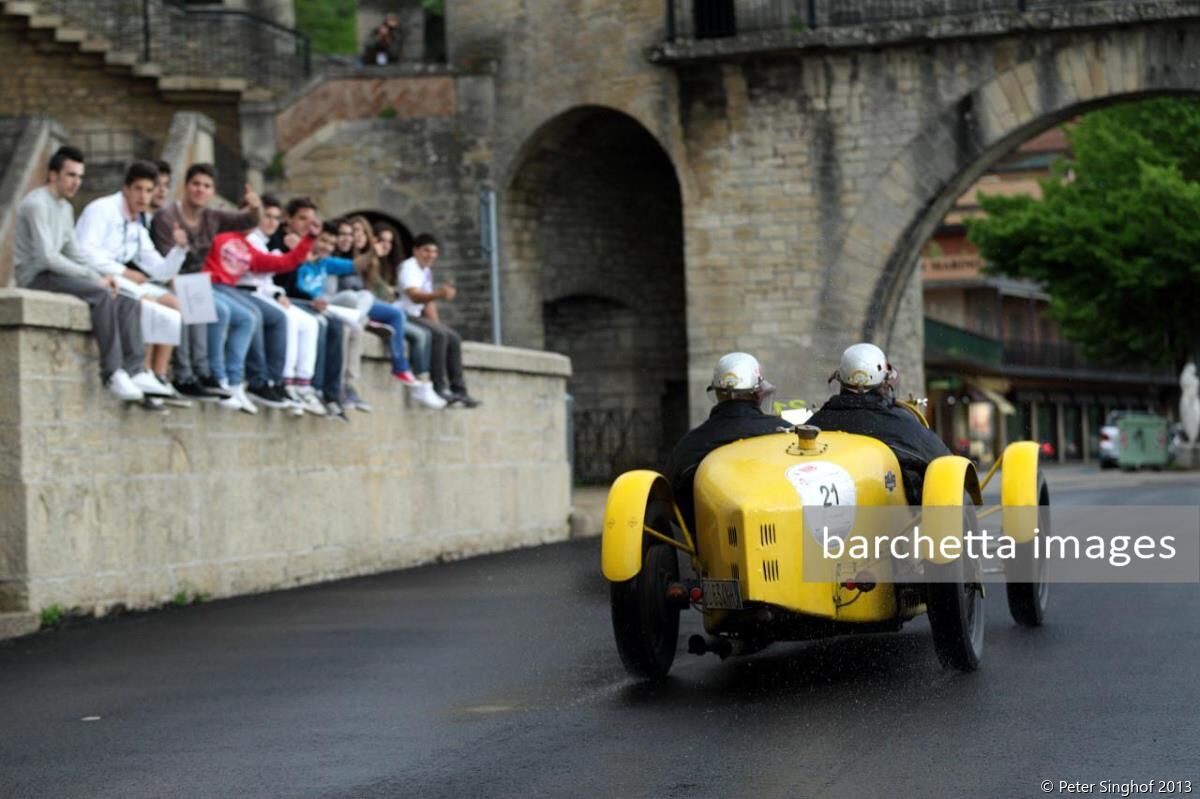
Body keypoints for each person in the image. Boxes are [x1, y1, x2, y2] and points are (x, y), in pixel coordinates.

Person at [12, 146, 158, 402]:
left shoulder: (65, 208)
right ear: (53, 175)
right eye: (70, 175)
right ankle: (113, 372)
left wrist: (102, 275)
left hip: (56, 272)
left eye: (79, 176)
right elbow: (47, 257)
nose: (76, 182)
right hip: (36, 276)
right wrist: (94, 279)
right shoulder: (37, 204)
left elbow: (74, 253)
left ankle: (134, 370)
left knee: (125, 295)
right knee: (101, 295)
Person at [75, 160, 190, 398]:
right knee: (146, 301)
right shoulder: (102, 210)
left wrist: (180, 249)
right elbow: (83, 253)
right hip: (93, 277)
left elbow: (160, 270)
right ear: (126, 188)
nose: (143, 196)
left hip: (118, 278)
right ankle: (136, 369)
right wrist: (124, 272)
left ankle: (153, 376)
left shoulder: (137, 224)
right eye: (138, 189)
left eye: (149, 191)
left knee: (173, 312)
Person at [151, 163, 261, 400]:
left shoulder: (211, 216)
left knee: (202, 299)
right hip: (167, 279)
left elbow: (248, 222)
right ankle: (184, 375)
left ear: (212, 192)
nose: (200, 190)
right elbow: (164, 263)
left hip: (195, 282)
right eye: (196, 184)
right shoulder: (167, 216)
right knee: (195, 300)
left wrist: (255, 208)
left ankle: (202, 372)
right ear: (186, 186)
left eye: (207, 186)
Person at [200, 208, 318, 413]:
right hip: (206, 284)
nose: (266, 221)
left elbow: (282, 263)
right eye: (263, 216)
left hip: (227, 289)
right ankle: (221, 379)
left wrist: (308, 240)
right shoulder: (219, 235)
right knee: (244, 316)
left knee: (267, 317)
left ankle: (266, 382)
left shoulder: (247, 247)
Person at [808, 342, 950, 505]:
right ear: (885, 383)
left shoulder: (815, 425)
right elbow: (945, 463)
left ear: (840, 380)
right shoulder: (902, 427)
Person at [664, 352, 784, 532]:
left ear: (718, 393)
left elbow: (670, 501)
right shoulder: (783, 434)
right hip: (780, 535)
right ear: (758, 394)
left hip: (712, 544)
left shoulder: (689, 446)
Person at [245, 195, 326, 416]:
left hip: (269, 294)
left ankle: (302, 384)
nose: (271, 222)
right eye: (266, 216)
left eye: (274, 217)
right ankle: (282, 380)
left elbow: (271, 278)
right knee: (286, 318)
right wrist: (298, 252)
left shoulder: (264, 240)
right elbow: (270, 271)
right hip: (248, 294)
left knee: (311, 323)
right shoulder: (263, 239)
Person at [271, 198, 351, 420]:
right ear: (289, 219)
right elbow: (277, 276)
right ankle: (291, 383)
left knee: (333, 324)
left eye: (311, 220)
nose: (307, 224)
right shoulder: (279, 240)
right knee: (310, 322)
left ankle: (325, 392)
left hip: (287, 298)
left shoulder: (304, 246)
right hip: (275, 297)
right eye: (302, 218)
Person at [396, 233, 480, 408]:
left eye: (434, 252)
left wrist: (439, 325)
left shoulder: (426, 271)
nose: (431, 255)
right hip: (403, 313)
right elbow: (415, 296)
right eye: (426, 250)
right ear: (416, 250)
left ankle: (459, 390)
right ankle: (439, 387)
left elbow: (429, 303)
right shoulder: (409, 267)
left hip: (416, 314)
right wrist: (440, 294)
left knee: (453, 337)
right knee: (439, 335)